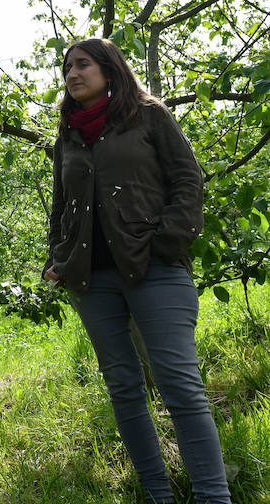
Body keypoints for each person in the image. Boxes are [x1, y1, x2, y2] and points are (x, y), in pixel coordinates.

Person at [43, 38, 231, 503]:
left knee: (180, 387)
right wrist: (56, 259)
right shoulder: (67, 134)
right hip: (91, 280)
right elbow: (60, 207)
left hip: (156, 270)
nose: (72, 73)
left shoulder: (149, 115)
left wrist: (167, 241)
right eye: (67, 67)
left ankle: (213, 496)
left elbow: (188, 178)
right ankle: (157, 495)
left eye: (83, 64)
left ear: (110, 69)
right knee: (124, 388)